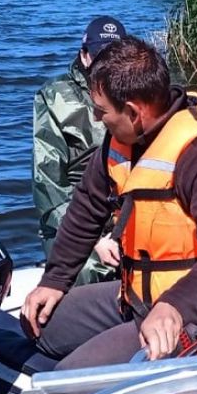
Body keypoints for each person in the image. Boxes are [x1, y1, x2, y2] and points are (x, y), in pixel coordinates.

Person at [21, 36, 197, 368]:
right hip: (135, 296)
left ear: (134, 112)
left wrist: (174, 306)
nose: (95, 118)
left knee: (67, 381)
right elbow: (86, 209)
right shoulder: (120, 139)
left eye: (101, 111)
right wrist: (55, 280)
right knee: (39, 325)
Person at [32, 15, 126, 285]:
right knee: (93, 272)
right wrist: (94, 240)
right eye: (101, 57)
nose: (108, 66)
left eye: (116, 57)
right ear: (84, 56)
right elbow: (47, 185)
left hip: (123, 215)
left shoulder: (132, 90)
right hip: (73, 221)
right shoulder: (54, 96)